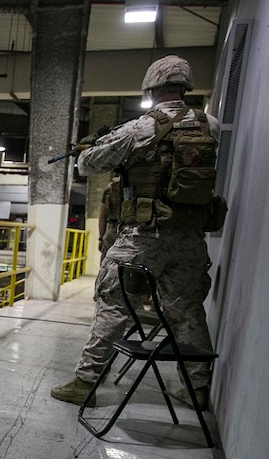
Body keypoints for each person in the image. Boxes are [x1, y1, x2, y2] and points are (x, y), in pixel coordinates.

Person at [51, 55, 220, 410]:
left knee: (113, 303)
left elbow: (90, 164)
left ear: (151, 86)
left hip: (144, 237)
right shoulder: (211, 124)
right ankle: (196, 387)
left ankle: (86, 382)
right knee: (187, 310)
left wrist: (94, 148)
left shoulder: (143, 127)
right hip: (191, 238)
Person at [97, 174, 120, 256]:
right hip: (135, 231)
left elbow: (103, 215)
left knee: (107, 265)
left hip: (112, 230)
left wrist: (101, 238)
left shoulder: (111, 187)